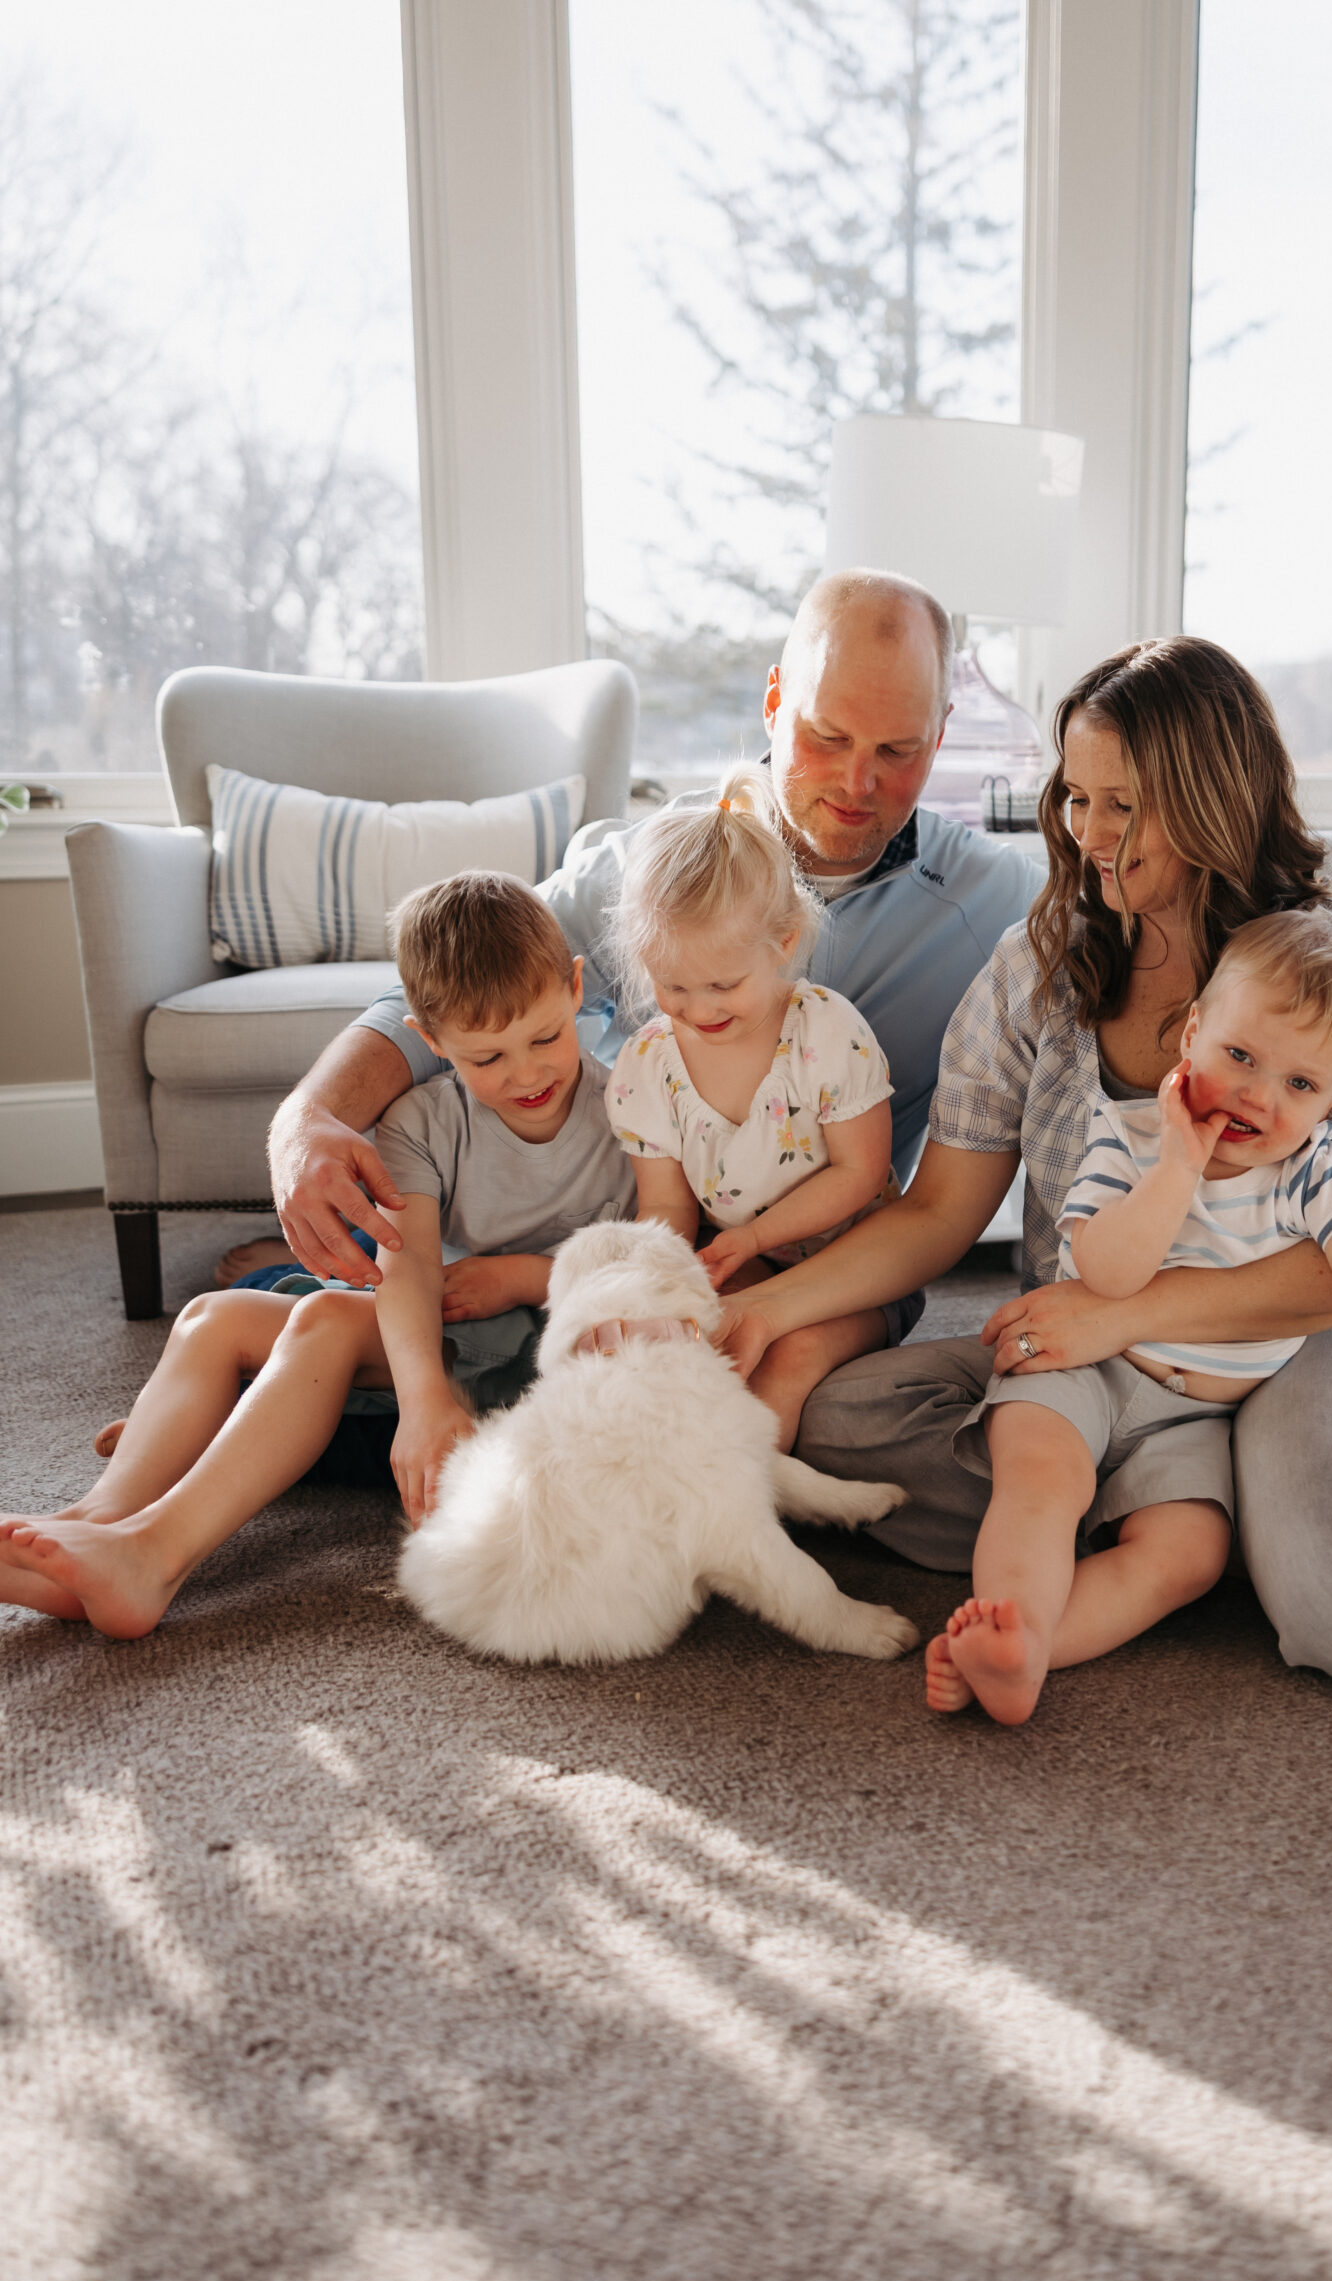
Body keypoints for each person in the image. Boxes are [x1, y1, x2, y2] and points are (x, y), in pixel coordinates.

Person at [719, 636, 1332, 1688]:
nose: (1090, 835)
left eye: (1123, 806)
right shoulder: (1041, 963)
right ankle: (1212, 1522)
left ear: (1207, 797)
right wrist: (769, 1313)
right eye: (1077, 798)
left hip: (1303, 1334)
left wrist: (1132, 1312)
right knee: (828, 1424)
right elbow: (940, 1213)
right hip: (1104, 1353)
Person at [254, 572, 1049, 1338]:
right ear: (773, 702)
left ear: (941, 734)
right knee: (380, 1343)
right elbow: (445, 997)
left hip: (822, 1261)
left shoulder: (993, 900)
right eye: (826, 735)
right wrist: (306, 1120)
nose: (855, 780)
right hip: (630, 1218)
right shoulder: (650, 867)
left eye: (899, 750)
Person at [0, 875, 634, 1636]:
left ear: (573, 990)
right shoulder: (418, 1120)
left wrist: (528, 1277)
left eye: (543, 1038)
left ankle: (150, 1557)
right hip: (438, 1320)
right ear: (428, 1041)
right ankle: (96, 1520)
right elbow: (406, 1261)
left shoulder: (628, 1108)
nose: (526, 1073)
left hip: (541, 1343)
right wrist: (423, 1393)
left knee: (327, 1317)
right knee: (211, 1318)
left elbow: (657, 1258)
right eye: (488, 1057)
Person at [925, 910, 1332, 1723]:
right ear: (1192, 1034)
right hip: (1087, 1369)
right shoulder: (1128, 1136)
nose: (1260, 1097)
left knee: (1186, 1557)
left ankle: (1023, 1655)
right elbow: (1109, 1272)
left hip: (1196, 1420)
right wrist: (1178, 1167)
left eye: (1300, 1085)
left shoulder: (1315, 1173)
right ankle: (1014, 1616)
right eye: (1240, 1057)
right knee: (1041, 1480)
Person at [606, 768, 899, 1451]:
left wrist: (755, 1239)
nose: (699, 1008)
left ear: (786, 941)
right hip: (742, 1259)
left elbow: (860, 1173)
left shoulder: (826, 1032)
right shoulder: (648, 1064)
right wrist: (659, 1289)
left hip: (858, 1265)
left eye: (723, 984)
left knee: (788, 1357)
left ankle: (750, 1522)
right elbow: (667, 1210)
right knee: (692, 1356)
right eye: (672, 985)